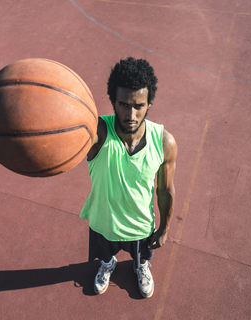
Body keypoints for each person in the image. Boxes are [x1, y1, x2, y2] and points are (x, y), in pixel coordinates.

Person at [80, 57, 177, 298]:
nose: (131, 114)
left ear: (149, 103)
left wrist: (164, 228)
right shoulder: (98, 133)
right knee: (104, 254)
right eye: (123, 105)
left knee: (141, 256)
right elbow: (68, 133)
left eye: (139, 106)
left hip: (140, 225)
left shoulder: (164, 142)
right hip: (104, 221)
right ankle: (108, 264)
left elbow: (164, 191)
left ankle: (141, 266)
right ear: (113, 102)